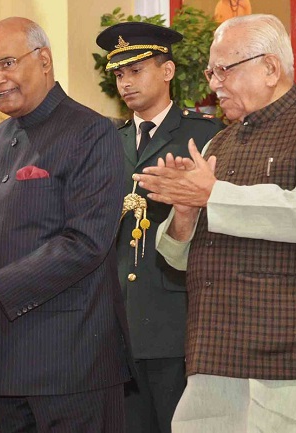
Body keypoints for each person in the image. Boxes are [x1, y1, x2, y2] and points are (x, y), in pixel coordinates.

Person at [134, 14, 296, 433]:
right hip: (215, 359)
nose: (214, 84)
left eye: (224, 70)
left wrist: (212, 195)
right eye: (211, 72)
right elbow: (179, 259)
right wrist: (185, 212)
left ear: (270, 68)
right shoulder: (218, 142)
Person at [0, 17, 130, 433]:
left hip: (71, 362)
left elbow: (86, 242)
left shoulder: (92, 132)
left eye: (7, 63)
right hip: (3, 362)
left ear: (44, 60)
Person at [95, 22, 224, 433]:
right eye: (119, 74)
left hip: (178, 318)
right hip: (119, 324)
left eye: (136, 71)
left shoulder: (205, 134)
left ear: (167, 71)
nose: (125, 83)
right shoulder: (107, 141)